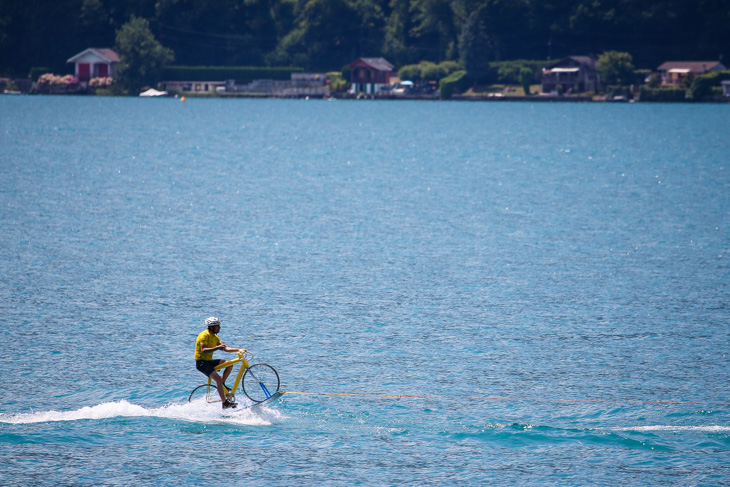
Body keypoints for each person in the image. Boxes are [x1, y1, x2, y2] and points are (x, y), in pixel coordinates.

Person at [194, 317, 246, 409]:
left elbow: (224, 348)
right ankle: (225, 403)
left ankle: (222, 383)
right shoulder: (204, 335)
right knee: (217, 379)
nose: (219, 328)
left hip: (209, 362)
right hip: (202, 363)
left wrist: (239, 349)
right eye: (217, 326)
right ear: (211, 327)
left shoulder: (215, 337)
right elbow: (204, 350)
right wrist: (217, 347)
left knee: (229, 363)